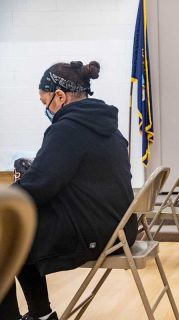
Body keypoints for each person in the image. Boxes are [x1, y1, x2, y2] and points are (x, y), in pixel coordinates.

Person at [0, 61, 137, 320]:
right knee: (20, 230)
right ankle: (42, 315)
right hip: (119, 227)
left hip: (95, 231)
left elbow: (39, 186)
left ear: (60, 95)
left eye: (45, 102)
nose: (46, 109)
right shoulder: (106, 126)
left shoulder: (67, 129)